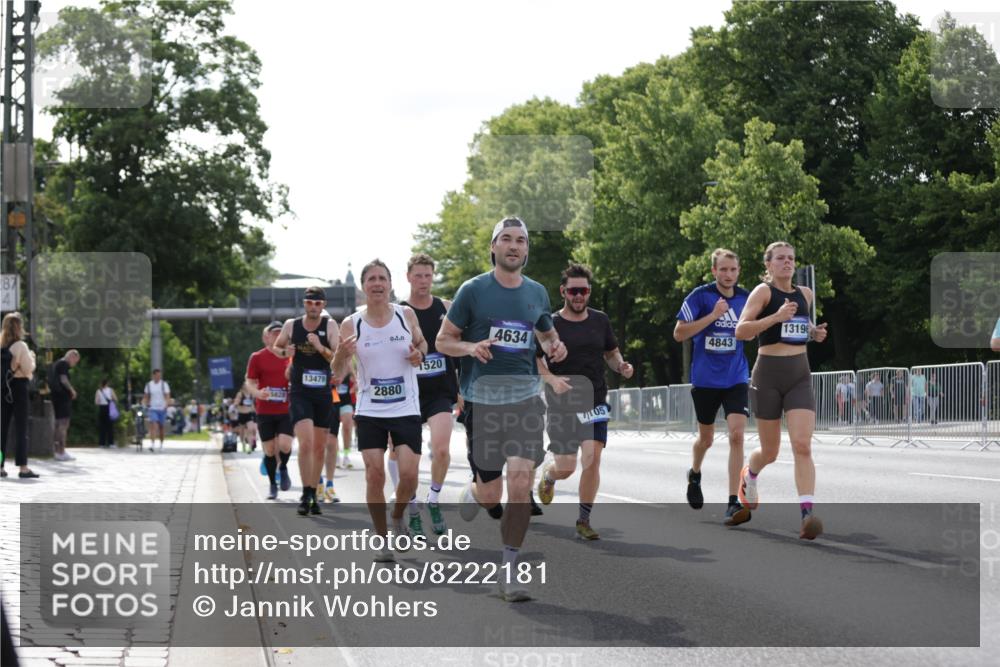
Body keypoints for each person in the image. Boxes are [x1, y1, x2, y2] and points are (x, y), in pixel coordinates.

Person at [436, 217, 567, 601]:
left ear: (527, 249)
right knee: (492, 493)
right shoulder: (473, 291)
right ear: (494, 247)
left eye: (521, 240)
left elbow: (546, 333)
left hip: (526, 400)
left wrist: (555, 346)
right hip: (483, 401)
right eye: (506, 239)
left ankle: (509, 572)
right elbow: (444, 340)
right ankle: (476, 492)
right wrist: (470, 348)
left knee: (521, 483)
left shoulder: (537, 292)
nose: (514, 246)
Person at [332, 259, 427, 563]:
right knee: (374, 475)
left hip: (406, 405)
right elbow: (337, 373)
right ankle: (382, 538)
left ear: (389, 283)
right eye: (371, 279)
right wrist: (341, 355)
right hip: (370, 408)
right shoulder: (351, 324)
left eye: (382, 278)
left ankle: (398, 515)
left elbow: (422, 343)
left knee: (409, 476)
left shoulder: (405, 315)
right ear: (363, 286)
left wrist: (419, 354)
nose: (377, 283)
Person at [734, 241, 828, 540]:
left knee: (802, 445)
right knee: (771, 452)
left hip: (799, 374)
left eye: (791, 258)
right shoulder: (763, 293)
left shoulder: (806, 294)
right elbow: (741, 330)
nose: (787, 263)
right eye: (781, 259)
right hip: (768, 374)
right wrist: (775, 317)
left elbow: (803, 324)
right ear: (769, 265)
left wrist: (815, 332)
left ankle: (807, 515)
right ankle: (749, 474)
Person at [535, 262, 633, 540]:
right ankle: (550, 476)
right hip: (561, 403)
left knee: (592, 459)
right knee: (567, 466)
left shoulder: (600, 320)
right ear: (563, 291)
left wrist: (622, 366)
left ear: (589, 292)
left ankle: (584, 519)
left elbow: (611, 353)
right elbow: (536, 360)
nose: (579, 296)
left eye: (584, 291)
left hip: (594, 401)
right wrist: (552, 380)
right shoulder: (550, 323)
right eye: (574, 291)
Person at [672, 249, 752, 527]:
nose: (728, 274)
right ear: (714, 271)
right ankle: (695, 473)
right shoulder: (700, 296)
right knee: (705, 439)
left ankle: (733, 501)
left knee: (737, 436)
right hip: (706, 379)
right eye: (723, 269)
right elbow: (679, 333)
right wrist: (713, 316)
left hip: (736, 377)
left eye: (733, 270)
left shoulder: (746, 298)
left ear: (738, 271)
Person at [400, 253, 462, 536]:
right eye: (418, 275)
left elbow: (460, 348)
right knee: (408, 462)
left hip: (440, 390)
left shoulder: (446, 307)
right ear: (408, 277)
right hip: (408, 394)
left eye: (428, 275)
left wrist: (461, 387)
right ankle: (412, 509)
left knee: (441, 449)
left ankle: (433, 500)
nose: (423, 281)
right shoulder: (399, 313)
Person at [273, 286, 340, 516]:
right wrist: (285, 352)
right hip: (300, 391)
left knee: (320, 447)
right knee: (307, 442)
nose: (314, 307)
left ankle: (313, 492)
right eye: (310, 303)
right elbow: (278, 346)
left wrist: (320, 347)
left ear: (324, 305)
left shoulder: (330, 326)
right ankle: (305, 492)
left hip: (322, 393)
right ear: (304, 303)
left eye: (318, 304)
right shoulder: (292, 325)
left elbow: (336, 356)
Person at [245, 321, 295, 500]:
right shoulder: (257, 357)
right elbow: (249, 382)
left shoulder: (291, 356)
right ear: (266, 337)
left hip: (286, 408)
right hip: (265, 410)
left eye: (280, 333)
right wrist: (258, 393)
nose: (277, 336)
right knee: (269, 449)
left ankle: (283, 467)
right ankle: (273, 484)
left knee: (285, 444)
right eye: (273, 333)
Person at [1, 312, 38, 478]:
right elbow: (28, 369)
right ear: (18, 327)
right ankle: (23, 468)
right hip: (19, 387)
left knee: (2, 429)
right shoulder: (21, 346)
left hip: (3, 388)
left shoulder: (1, 344)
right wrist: (32, 357)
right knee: (21, 428)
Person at [48, 350, 81, 461]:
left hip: (56, 397)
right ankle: (60, 451)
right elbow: (64, 379)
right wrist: (72, 390)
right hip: (62, 397)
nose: (74, 364)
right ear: (72, 356)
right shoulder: (63, 364)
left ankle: (57, 451)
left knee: (58, 424)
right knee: (63, 424)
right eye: (75, 361)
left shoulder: (57, 363)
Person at [143, 369, 171, 451]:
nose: (159, 377)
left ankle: (161, 444)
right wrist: (145, 403)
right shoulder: (149, 385)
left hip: (162, 408)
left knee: (161, 427)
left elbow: (167, 396)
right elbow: (146, 396)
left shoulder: (164, 384)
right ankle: (152, 444)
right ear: (153, 375)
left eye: (160, 375)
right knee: (153, 425)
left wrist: (166, 404)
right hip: (153, 408)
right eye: (157, 375)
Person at [94, 379, 119, 448]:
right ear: (107, 384)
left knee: (102, 427)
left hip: (102, 408)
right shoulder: (110, 390)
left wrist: (101, 401)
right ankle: (111, 443)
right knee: (110, 426)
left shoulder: (98, 391)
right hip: (109, 409)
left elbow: (96, 402)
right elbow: (115, 399)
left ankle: (102, 443)